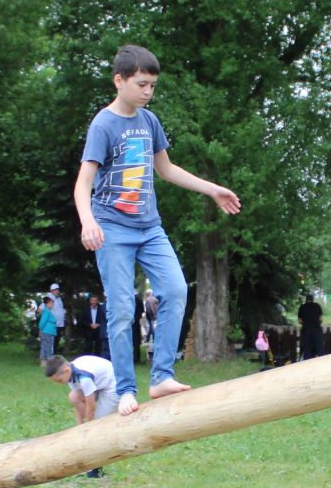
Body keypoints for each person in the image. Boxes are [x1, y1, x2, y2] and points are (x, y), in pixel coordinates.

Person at [74, 44, 242, 415]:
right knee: (120, 310)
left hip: (149, 228)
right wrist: (88, 222)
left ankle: (162, 376)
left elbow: (166, 170)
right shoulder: (103, 125)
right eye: (141, 84)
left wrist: (211, 188)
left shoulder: (149, 122)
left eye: (153, 85)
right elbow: (83, 181)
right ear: (119, 81)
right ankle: (126, 390)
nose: (148, 92)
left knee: (176, 289)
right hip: (112, 229)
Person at [46, 353, 117, 478]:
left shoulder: (84, 378)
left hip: (112, 386)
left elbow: (91, 407)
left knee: (97, 426)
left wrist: (89, 426)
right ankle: (85, 460)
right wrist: (79, 427)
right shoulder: (70, 375)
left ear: (65, 371)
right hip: (98, 384)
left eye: (59, 380)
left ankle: (95, 468)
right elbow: (77, 400)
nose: (59, 383)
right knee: (73, 396)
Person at [297, 294, 323, 360]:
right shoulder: (317, 306)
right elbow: (321, 319)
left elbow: (299, 321)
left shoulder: (302, 307)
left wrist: (306, 323)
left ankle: (307, 363)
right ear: (312, 300)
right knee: (319, 347)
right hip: (316, 329)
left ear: (306, 300)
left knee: (307, 349)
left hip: (306, 330)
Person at [37, 291, 60, 364]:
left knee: (45, 346)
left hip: (48, 331)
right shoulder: (47, 311)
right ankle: (48, 361)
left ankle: (44, 361)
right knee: (49, 346)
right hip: (48, 331)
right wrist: (40, 329)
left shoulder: (47, 311)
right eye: (52, 303)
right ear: (48, 303)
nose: (52, 305)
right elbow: (42, 322)